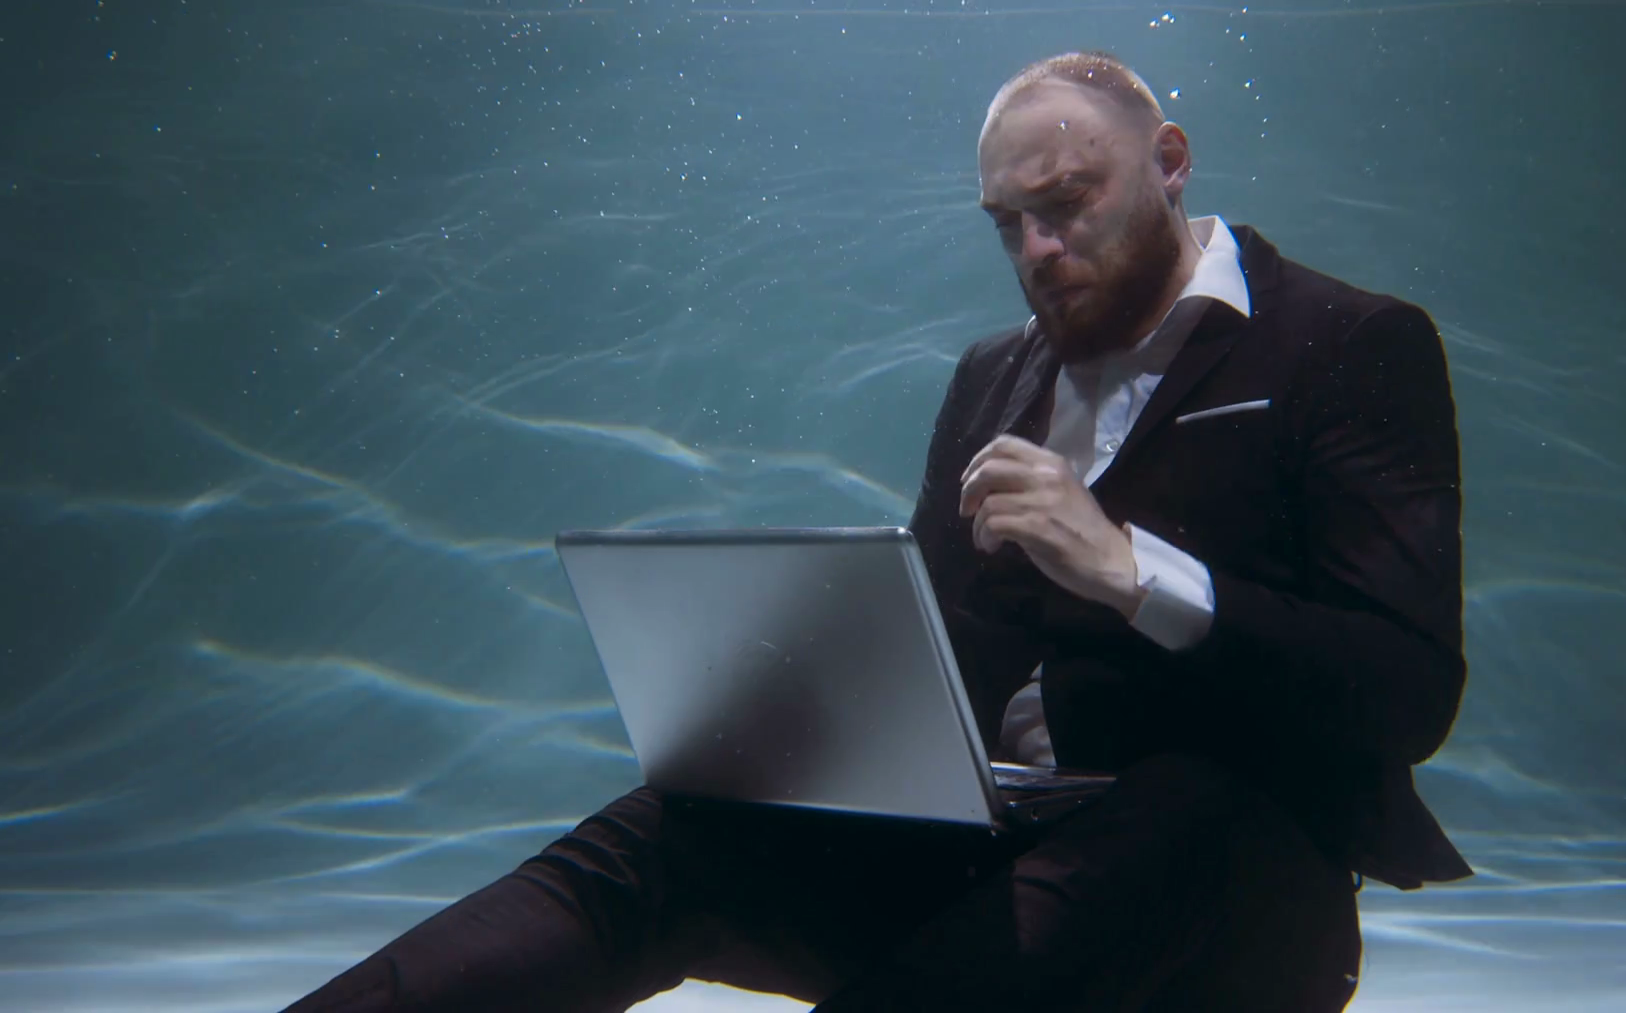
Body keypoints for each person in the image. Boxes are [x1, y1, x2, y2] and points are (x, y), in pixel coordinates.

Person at [285, 50, 1472, 1013]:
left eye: (1067, 204)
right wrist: (792, 709)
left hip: (1234, 885)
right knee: (668, 833)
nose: (1037, 253)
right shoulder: (992, 377)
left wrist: (1132, 572)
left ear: (1169, 162)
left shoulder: (1346, 344)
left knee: (1182, 805)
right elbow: (945, 660)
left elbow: (1407, 690)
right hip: (997, 851)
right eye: (1008, 224)